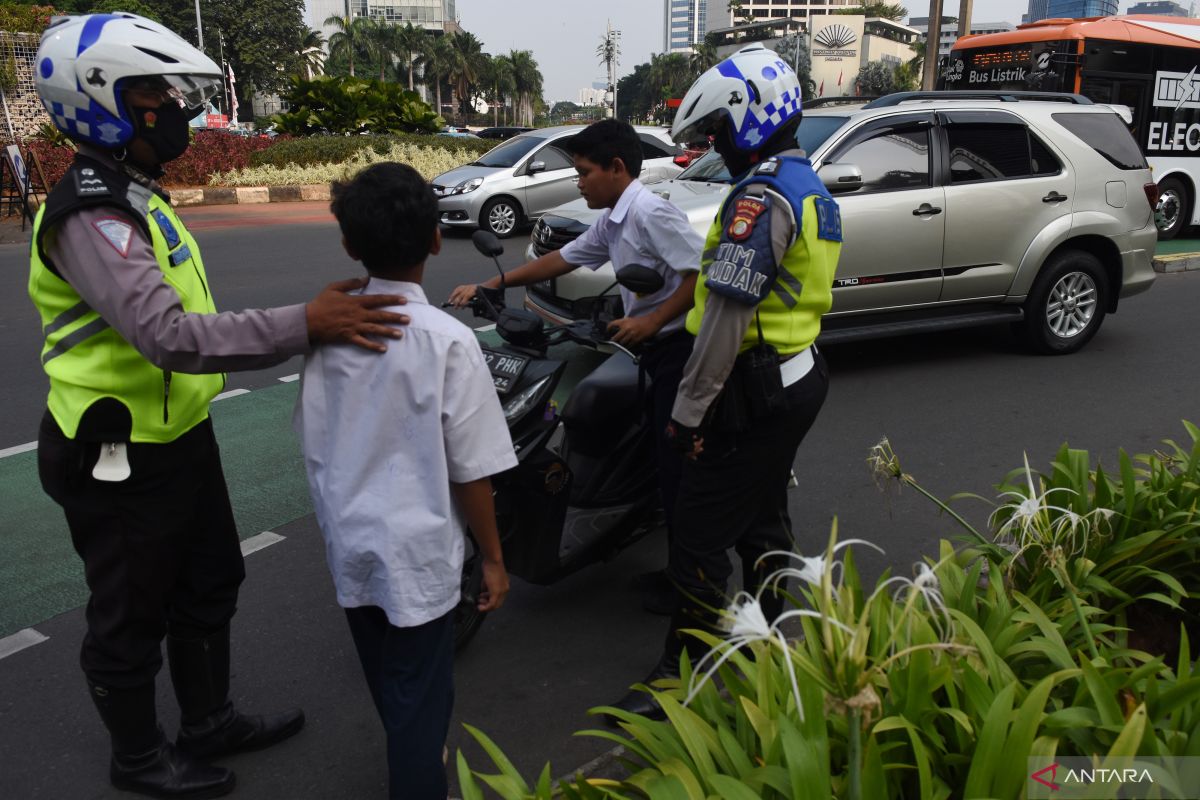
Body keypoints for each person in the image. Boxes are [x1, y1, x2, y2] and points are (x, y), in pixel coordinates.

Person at [29, 14, 410, 798]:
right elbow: (166, 334)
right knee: (129, 610)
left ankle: (208, 722)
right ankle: (137, 758)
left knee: (209, 581)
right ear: (100, 102)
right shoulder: (92, 214)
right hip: (116, 447)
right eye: (153, 92)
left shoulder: (135, 194)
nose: (173, 106)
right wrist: (304, 323)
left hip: (177, 432)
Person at [609, 43, 843, 719]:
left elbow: (723, 325)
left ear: (749, 120)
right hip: (796, 378)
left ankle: (681, 677)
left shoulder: (760, 200)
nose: (714, 144)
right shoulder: (808, 187)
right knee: (763, 518)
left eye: (717, 132)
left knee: (699, 531)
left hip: (752, 388)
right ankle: (768, 636)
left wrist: (686, 417)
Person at [295, 162, 517, 800]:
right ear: (435, 239)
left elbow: (315, 440)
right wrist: (495, 560)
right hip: (418, 554)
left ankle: (415, 753)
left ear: (348, 245)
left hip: (350, 541)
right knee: (420, 702)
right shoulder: (448, 340)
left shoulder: (325, 334)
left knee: (391, 684)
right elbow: (471, 469)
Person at [448, 119, 703, 613]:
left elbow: (699, 275)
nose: (578, 182)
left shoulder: (651, 214)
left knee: (676, 467)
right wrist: (493, 285)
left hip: (678, 350)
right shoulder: (614, 219)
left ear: (617, 167)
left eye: (585, 172)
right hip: (647, 347)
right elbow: (564, 258)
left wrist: (651, 323)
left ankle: (687, 580)